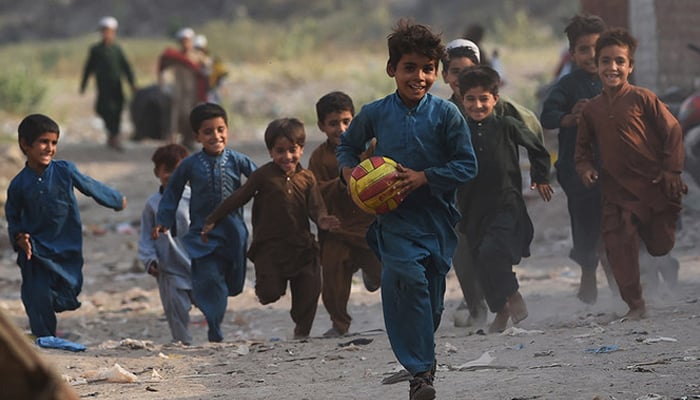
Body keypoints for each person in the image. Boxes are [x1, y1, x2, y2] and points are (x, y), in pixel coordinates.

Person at [336, 19, 477, 400]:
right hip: (394, 220)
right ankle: (420, 376)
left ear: (437, 72)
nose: (419, 76)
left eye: (428, 69)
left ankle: (421, 359)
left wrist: (424, 177)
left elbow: (467, 165)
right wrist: (350, 172)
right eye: (409, 67)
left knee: (429, 299)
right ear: (391, 70)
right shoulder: (376, 113)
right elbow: (347, 147)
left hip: (437, 219)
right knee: (407, 280)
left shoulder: (447, 115)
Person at [575, 28, 687, 320]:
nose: (612, 67)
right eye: (606, 61)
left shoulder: (643, 99)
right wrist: (585, 168)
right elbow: (583, 148)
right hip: (616, 191)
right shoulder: (592, 110)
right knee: (618, 243)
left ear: (630, 66)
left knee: (660, 244)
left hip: (652, 184)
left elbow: (673, 129)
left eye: (619, 62)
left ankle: (661, 262)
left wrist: (671, 169)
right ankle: (635, 303)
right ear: (597, 66)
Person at [202, 118, 340, 339]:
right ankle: (266, 288)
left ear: (301, 149)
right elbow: (239, 197)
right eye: (280, 151)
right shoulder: (263, 176)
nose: (287, 157)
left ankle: (301, 333)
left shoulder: (307, 178)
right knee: (270, 293)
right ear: (270, 152)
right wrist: (213, 218)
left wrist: (323, 220)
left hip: (302, 247)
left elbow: (316, 207)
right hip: (270, 249)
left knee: (309, 292)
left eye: (292, 150)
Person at [441, 37, 545, 328]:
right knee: (466, 256)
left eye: (468, 70)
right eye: (455, 72)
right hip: (462, 201)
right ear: (445, 76)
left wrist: (537, 172)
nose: (461, 78)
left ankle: (499, 303)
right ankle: (477, 305)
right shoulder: (442, 113)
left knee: (492, 250)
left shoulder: (500, 109)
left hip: (499, 197)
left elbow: (532, 129)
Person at [5, 114, 126, 342]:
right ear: (24, 144)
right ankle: (45, 336)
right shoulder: (18, 185)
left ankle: (54, 306)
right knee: (35, 293)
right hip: (36, 249)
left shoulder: (64, 171)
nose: (49, 148)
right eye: (43, 142)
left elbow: (90, 185)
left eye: (53, 143)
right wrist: (19, 236)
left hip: (65, 244)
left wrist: (116, 200)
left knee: (68, 292)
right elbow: (12, 216)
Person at [152, 103, 256, 342]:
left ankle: (220, 300)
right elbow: (173, 191)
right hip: (203, 235)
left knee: (234, 281)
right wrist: (163, 219)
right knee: (209, 278)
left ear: (228, 130)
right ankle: (214, 324)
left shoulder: (238, 160)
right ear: (196, 136)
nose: (216, 136)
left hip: (234, 233)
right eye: (208, 131)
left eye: (220, 129)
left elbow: (262, 180)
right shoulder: (190, 165)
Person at [540, 14, 616, 305]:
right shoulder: (568, 85)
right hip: (575, 170)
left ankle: (617, 280)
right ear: (572, 53)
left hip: (611, 167)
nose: (592, 55)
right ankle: (588, 271)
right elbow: (548, 117)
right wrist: (570, 117)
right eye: (584, 49)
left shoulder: (615, 80)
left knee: (610, 226)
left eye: (597, 48)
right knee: (585, 224)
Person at [307, 91, 381, 338]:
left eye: (346, 121)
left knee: (385, 270)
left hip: (369, 224)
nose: (341, 128)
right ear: (321, 126)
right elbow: (314, 191)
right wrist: (340, 182)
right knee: (333, 283)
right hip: (338, 228)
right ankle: (340, 323)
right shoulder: (319, 157)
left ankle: (372, 277)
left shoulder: (369, 147)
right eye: (333, 123)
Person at [138, 143, 193, 345]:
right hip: (169, 267)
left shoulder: (195, 197)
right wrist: (149, 259)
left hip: (196, 263)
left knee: (212, 306)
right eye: (168, 170)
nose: (173, 176)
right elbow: (145, 235)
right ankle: (184, 345)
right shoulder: (153, 204)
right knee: (176, 311)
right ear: (157, 172)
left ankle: (215, 340)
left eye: (178, 170)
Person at [80, 16, 136, 151]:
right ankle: (112, 134)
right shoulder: (96, 50)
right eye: (104, 31)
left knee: (117, 109)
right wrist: (83, 84)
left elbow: (126, 67)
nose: (107, 34)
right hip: (103, 86)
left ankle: (114, 136)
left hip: (116, 86)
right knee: (102, 109)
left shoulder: (117, 49)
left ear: (114, 32)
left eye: (109, 31)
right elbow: (89, 67)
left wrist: (132, 83)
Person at [158, 27, 208, 149]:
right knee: (175, 118)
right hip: (178, 92)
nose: (186, 43)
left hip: (192, 93)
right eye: (183, 41)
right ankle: (173, 143)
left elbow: (207, 71)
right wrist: (164, 84)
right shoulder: (175, 57)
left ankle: (189, 140)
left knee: (191, 117)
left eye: (188, 40)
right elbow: (163, 67)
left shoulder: (198, 56)